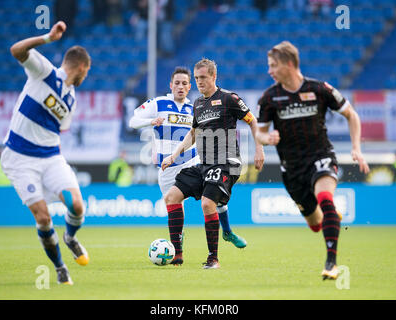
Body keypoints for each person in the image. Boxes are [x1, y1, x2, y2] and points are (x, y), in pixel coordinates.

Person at [256, 41, 369, 280]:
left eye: (273, 66)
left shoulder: (319, 89)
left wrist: (356, 148)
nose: (270, 71)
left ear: (289, 64)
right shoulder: (270, 97)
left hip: (321, 157)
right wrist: (267, 137)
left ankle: (331, 264)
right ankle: (330, 217)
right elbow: (259, 133)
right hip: (292, 169)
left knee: (325, 199)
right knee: (316, 223)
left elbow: (351, 114)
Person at [0, 21, 91, 285]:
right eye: (87, 71)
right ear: (82, 67)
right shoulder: (44, 72)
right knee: (42, 216)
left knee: (76, 204)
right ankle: (61, 267)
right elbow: (16, 50)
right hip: (19, 158)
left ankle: (70, 237)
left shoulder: (72, 100)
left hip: (50, 156)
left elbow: (56, 132)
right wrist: (48, 37)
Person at [129, 66, 249, 253]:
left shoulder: (195, 106)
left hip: (192, 162)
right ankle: (178, 248)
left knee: (215, 196)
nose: (180, 86)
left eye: (185, 83)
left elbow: (197, 133)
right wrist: (150, 122)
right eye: (177, 83)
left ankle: (226, 231)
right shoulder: (158, 103)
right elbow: (133, 121)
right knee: (174, 203)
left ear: (189, 85)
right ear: (171, 85)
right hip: (167, 167)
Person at [161, 59, 265, 269]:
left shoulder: (229, 98)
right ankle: (177, 255)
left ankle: (213, 259)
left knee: (207, 203)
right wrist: (173, 155)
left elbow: (252, 121)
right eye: (197, 78)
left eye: (203, 78)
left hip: (227, 163)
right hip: (205, 164)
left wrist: (259, 149)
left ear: (213, 77)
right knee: (171, 196)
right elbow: (193, 133)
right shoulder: (198, 104)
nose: (199, 82)